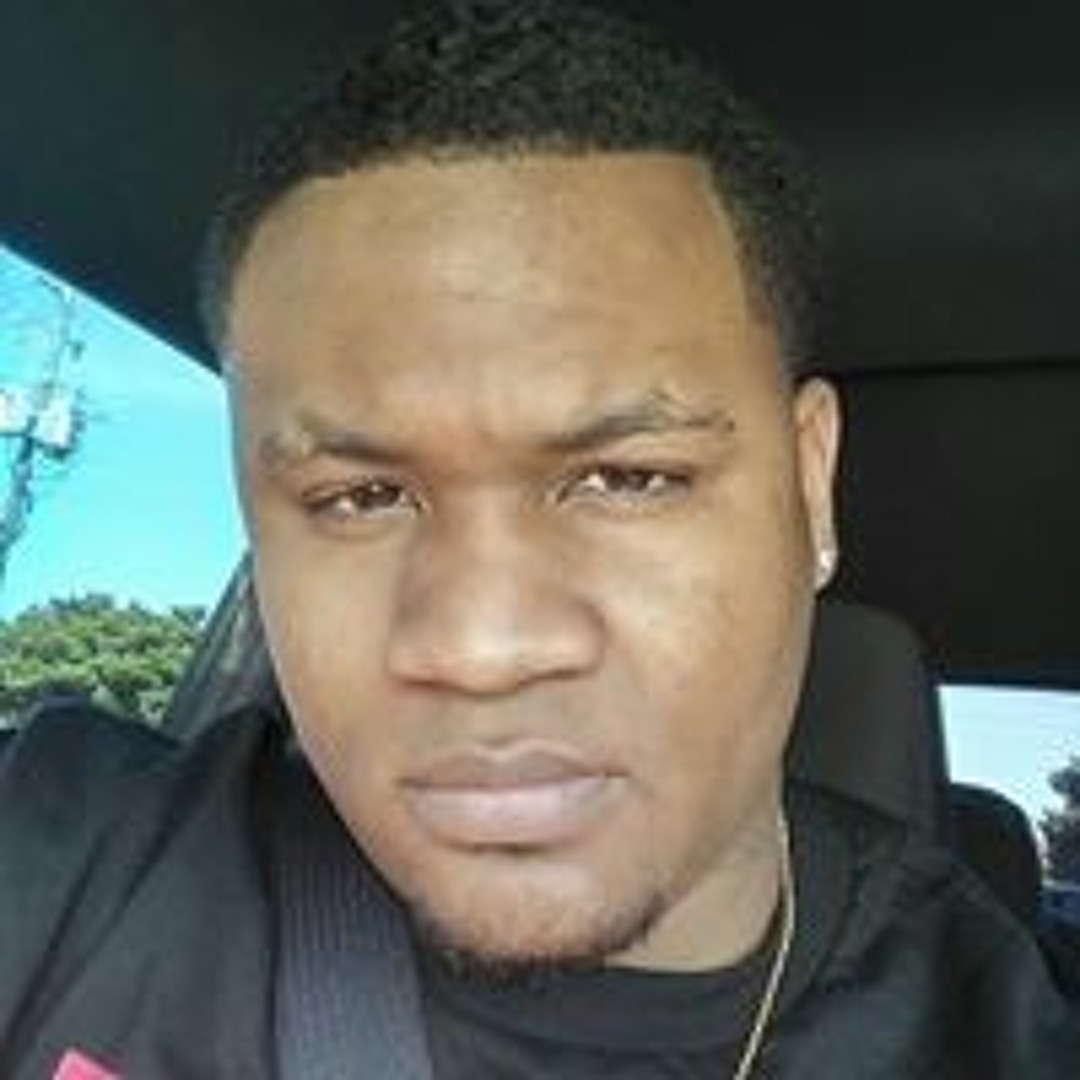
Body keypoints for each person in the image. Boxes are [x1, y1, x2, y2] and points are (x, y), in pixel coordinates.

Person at [0, 2, 1076, 1076]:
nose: (481, 648)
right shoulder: (73, 867)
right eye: (361, 497)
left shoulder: (999, 1031)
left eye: (629, 478)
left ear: (810, 487)